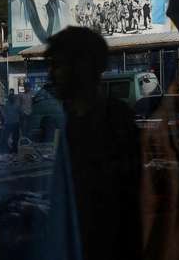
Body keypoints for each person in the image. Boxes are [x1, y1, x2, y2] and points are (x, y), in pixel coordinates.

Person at [43, 26, 142, 260]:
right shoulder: (70, 119)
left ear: (82, 67)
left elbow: (113, 207)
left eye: (58, 66)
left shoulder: (113, 121)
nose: (51, 75)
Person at [0, 89, 21, 153]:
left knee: (14, 138)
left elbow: (3, 114)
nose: (13, 99)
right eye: (12, 98)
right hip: (11, 123)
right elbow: (3, 114)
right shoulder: (10, 105)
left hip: (12, 123)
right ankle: (8, 150)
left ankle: (12, 150)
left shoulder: (11, 105)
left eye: (13, 98)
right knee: (10, 138)